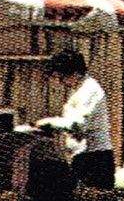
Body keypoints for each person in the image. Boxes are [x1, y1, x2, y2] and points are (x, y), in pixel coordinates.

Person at [46, 49, 115, 193]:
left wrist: (49, 122)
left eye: (62, 77)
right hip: (82, 155)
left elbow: (77, 124)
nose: (61, 82)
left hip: (95, 157)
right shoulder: (78, 89)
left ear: (75, 73)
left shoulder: (89, 90)